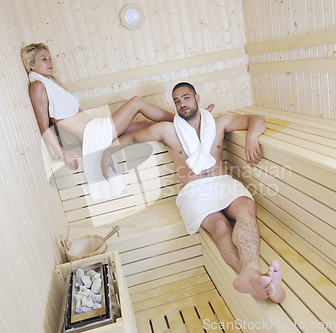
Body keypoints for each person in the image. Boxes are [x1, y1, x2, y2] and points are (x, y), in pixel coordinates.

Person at [101, 82, 285, 303]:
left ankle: (251, 275)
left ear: (197, 98)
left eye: (186, 97)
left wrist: (251, 137)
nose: (181, 103)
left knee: (246, 206)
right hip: (193, 192)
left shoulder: (218, 123)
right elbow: (132, 136)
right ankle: (258, 277)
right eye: (177, 100)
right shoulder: (167, 130)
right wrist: (107, 151)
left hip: (222, 183)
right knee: (220, 226)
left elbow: (255, 119)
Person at [20, 43, 174, 171]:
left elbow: (57, 120)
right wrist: (63, 154)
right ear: (31, 65)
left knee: (145, 125)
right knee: (136, 102)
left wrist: (67, 142)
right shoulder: (37, 86)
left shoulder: (49, 85)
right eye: (44, 59)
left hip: (94, 129)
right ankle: (181, 120)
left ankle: (180, 133)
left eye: (50, 58)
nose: (50, 62)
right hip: (93, 134)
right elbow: (44, 127)